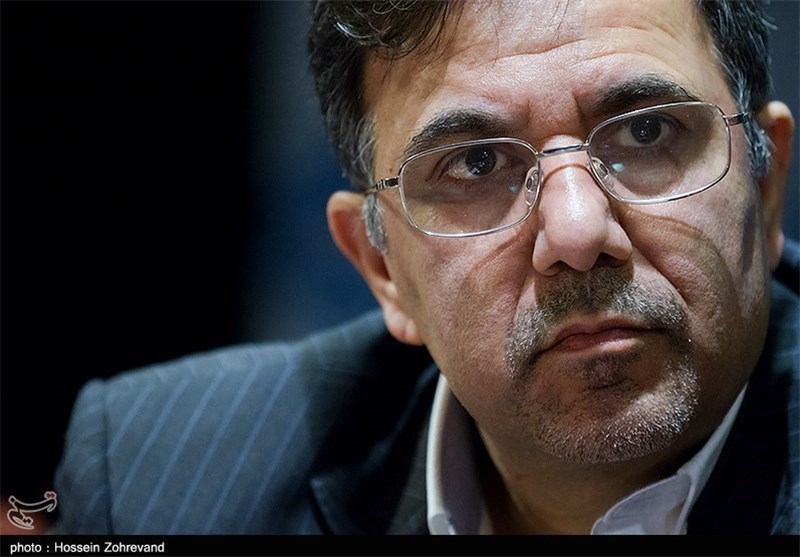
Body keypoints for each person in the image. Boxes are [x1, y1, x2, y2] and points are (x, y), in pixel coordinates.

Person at [53, 0, 797, 535]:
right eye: (475, 164)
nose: (576, 232)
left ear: (766, 192)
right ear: (380, 266)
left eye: (648, 131)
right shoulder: (154, 480)